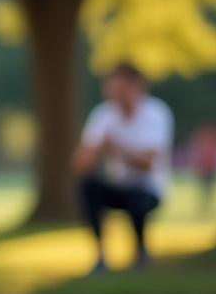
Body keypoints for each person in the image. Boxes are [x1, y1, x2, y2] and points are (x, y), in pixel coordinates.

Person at [72, 62, 173, 274]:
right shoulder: (103, 115)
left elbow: (147, 164)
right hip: (118, 185)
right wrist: (96, 149)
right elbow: (80, 164)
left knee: (137, 194)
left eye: (121, 88)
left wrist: (118, 149)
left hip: (148, 189)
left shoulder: (156, 113)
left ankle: (141, 252)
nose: (115, 94)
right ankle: (100, 254)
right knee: (88, 186)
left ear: (137, 86)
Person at [188, 123, 216, 216]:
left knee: (210, 189)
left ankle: (208, 206)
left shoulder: (212, 138)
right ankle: (204, 206)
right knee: (204, 189)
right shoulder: (206, 138)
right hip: (205, 167)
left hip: (211, 167)